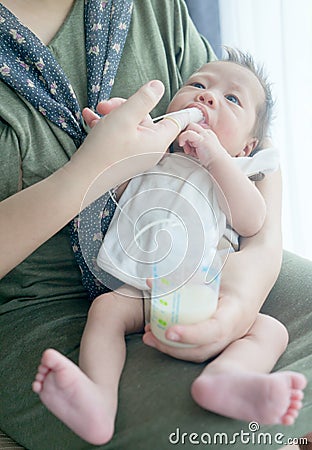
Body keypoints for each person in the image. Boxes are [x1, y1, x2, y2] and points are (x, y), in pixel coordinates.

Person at [0, 1, 311, 449]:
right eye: (197, 85)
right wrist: (106, 161)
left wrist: (241, 299)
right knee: (105, 313)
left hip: (207, 284)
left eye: (231, 99)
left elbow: (253, 217)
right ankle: (96, 400)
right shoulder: (161, 157)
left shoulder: (234, 168)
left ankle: (227, 379)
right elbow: (123, 198)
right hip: (131, 287)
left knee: (268, 329)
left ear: (248, 148)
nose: (207, 96)